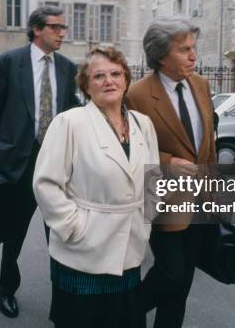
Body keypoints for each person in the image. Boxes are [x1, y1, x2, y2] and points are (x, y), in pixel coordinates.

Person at [33, 46, 160, 328]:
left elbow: (154, 177)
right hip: (83, 249)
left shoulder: (143, 124)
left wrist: (146, 221)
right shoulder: (69, 122)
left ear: (126, 79)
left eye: (116, 74)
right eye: (99, 76)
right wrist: (73, 226)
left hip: (129, 248)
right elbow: (46, 183)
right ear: (86, 85)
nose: (109, 81)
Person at [0, 5, 80, 318]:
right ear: (37, 29)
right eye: (55, 27)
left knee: (61, 236)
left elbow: (73, 110)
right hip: (18, 163)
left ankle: (64, 300)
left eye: (63, 28)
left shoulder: (67, 67)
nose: (62, 33)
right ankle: (6, 288)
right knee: (14, 236)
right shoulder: (9, 62)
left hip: (57, 163)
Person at [126, 19, 216, 328]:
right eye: (184, 50)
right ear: (162, 55)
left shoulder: (201, 85)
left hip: (201, 200)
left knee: (182, 285)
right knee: (172, 274)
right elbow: (129, 150)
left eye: (193, 48)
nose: (193, 56)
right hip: (163, 198)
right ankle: (120, 312)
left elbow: (209, 140)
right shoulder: (136, 95)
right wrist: (166, 160)